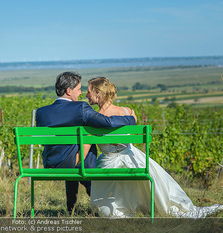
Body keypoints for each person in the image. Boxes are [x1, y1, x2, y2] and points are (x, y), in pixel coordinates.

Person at [86, 76, 223, 218]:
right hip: (133, 158)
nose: (86, 94)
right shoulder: (127, 112)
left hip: (109, 164)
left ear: (98, 93)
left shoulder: (96, 118)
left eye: (89, 91)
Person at [35, 71, 137, 214]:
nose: (81, 93)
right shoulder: (80, 108)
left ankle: (72, 207)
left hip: (51, 164)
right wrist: (131, 118)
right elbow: (107, 122)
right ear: (69, 91)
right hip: (74, 162)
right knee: (88, 144)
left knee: (75, 147)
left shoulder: (41, 112)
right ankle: (94, 195)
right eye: (78, 89)